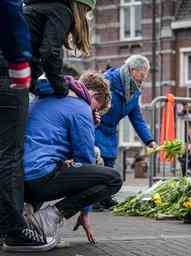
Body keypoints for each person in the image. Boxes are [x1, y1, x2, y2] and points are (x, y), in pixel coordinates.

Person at [23, 73, 121, 244]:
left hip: (18, 180)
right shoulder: (80, 107)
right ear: (93, 95)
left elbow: (50, 143)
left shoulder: (42, 98)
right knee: (113, 179)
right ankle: (47, 219)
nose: (95, 113)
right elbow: (85, 158)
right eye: (97, 108)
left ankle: (25, 214)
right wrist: (85, 212)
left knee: (51, 165)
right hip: (39, 179)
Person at [0, 0, 56, 252]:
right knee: (9, 155)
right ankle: (13, 229)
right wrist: (19, 61)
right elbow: (8, 8)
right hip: (5, 71)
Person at [95, 55, 156, 209]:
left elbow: (137, 118)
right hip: (95, 125)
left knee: (109, 162)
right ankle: (92, 198)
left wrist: (149, 140)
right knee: (96, 161)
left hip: (110, 129)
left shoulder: (134, 92)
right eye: (141, 75)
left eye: (145, 76)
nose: (143, 79)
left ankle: (105, 197)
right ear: (132, 70)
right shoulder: (108, 81)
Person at [23, 0, 96, 96]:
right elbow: (50, 52)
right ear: (80, 8)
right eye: (86, 11)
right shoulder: (61, 11)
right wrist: (61, 88)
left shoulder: (35, 8)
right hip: (10, 71)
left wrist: (34, 85)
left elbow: (33, 52)